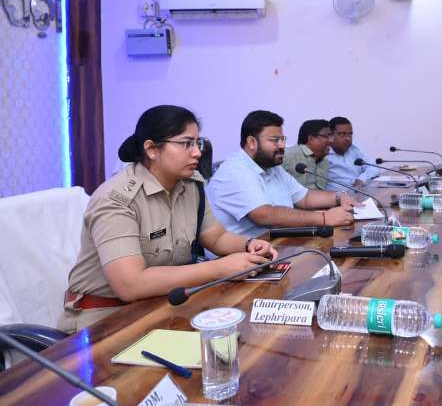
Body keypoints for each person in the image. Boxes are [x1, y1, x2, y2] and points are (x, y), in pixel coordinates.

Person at [59, 105, 278, 332]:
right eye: (186, 143)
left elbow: (215, 236)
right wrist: (221, 268)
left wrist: (248, 245)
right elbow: (130, 284)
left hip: (161, 306)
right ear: (152, 149)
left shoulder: (190, 185)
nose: (197, 153)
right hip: (103, 321)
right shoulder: (116, 200)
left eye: (198, 143)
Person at [207, 110, 355, 240]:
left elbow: (305, 197)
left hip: (276, 243)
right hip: (240, 254)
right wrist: (324, 218)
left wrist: (338, 197)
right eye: (275, 140)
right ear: (251, 142)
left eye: (282, 139)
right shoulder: (235, 171)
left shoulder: (272, 167)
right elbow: (265, 215)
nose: (282, 145)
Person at [325, 116, 379, 191]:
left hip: (361, 192)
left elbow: (373, 167)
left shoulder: (355, 147)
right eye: (342, 134)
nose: (348, 138)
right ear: (330, 136)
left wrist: (361, 179)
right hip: (338, 196)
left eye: (350, 134)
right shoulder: (323, 154)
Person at [282, 119, 332, 189]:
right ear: (311, 139)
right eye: (326, 136)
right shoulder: (287, 156)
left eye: (331, 136)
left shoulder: (325, 160)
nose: (331, 140)